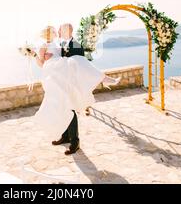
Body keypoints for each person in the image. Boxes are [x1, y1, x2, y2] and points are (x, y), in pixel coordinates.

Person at [32, 25, 120, 155]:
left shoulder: (77, 45)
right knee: (61, 108)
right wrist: (42, 58)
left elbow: (82, 66)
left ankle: (75, 142)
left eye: (61, 29)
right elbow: (46, 64)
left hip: (71, 85)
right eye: (57, 30)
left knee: (70, 109)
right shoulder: (59, 44)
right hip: (58, 82)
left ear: (68, 30)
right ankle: (65, 136)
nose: (59, 31)